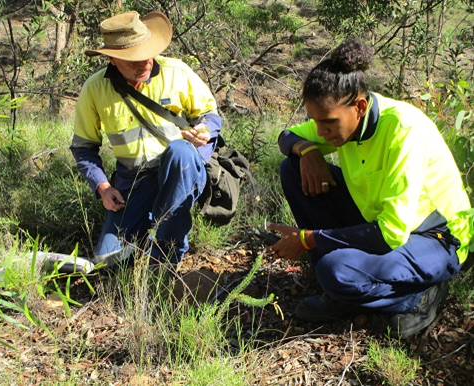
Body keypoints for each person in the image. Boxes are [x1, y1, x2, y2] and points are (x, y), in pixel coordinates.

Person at [268, 38, 472, 338]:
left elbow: (390, 233)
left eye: (328, 124)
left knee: (337, 271)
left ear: (360, 106)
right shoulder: (343, 118)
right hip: (380, 221)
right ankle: (340, 292)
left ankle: (418, 296)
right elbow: (286, 136)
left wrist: (309, 239)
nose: (321, 132)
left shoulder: (403, 131)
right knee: (293, 168)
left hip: (436, 237)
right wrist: (307, 151)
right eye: (315, 122)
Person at [70, 11, 222, 266]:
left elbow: (210, 115)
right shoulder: (95, 89)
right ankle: (143, 234)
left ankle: (165, 256)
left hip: (180, 170)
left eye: (147, 55)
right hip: (133, 180)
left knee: (180, 152)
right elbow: (83, 149)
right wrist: (103, 188)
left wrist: (204, 129)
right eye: (134, 60)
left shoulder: (177, 72)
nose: (145, 64)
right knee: (108, 260)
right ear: (112, 59)